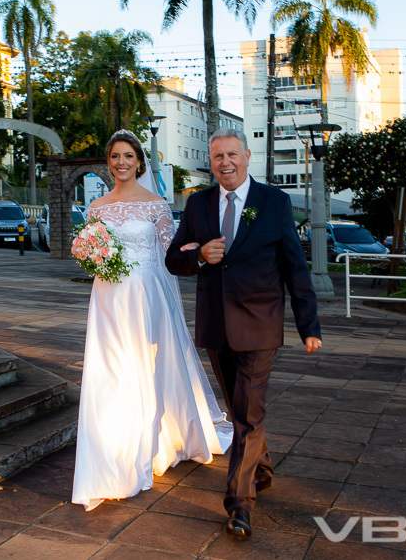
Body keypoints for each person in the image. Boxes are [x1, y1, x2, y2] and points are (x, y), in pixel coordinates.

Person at [165, 128, 322, 537]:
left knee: (248, 413)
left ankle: (239, 503)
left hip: (260, 325)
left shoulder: (275, 202)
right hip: (216, 326)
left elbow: (294, 267)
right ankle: (263, 468)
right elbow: (172, 261)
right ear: (211, 162)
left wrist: (309, 325)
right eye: (217, 157)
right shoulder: (197, 204)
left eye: (232, 154)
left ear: (248, 156)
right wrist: (199, 256)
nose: (225, 163)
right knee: (241, 413)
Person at [72, 130, 233, 511]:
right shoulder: (96, 208)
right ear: (108, 162)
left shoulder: (157, 205)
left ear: (139, 162)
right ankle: (112, 451)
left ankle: (151, 443)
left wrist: (198, 250)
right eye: (115, 157)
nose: (121, 163)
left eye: (128, 156)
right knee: (110, 373)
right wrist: (90, 256)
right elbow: (90, 247)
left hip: (147, 296)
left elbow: (170, 251)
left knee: (145, 369)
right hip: (108, 298)